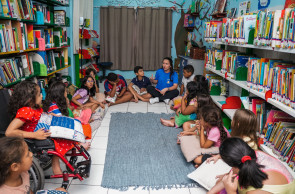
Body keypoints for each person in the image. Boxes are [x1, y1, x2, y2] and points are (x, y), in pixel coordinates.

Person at [208, 137, 295, 194]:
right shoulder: (250, 156)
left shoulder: (256, 192)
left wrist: (231, 192)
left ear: (233, 165)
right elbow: (232, 175)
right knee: (220, 183)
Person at [0, 136, 68, 194]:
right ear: (15, 167)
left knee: (61, 190)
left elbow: (28, 189)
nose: (31, 154)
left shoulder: (23, 172)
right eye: (27, 154)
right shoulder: (6, 192)